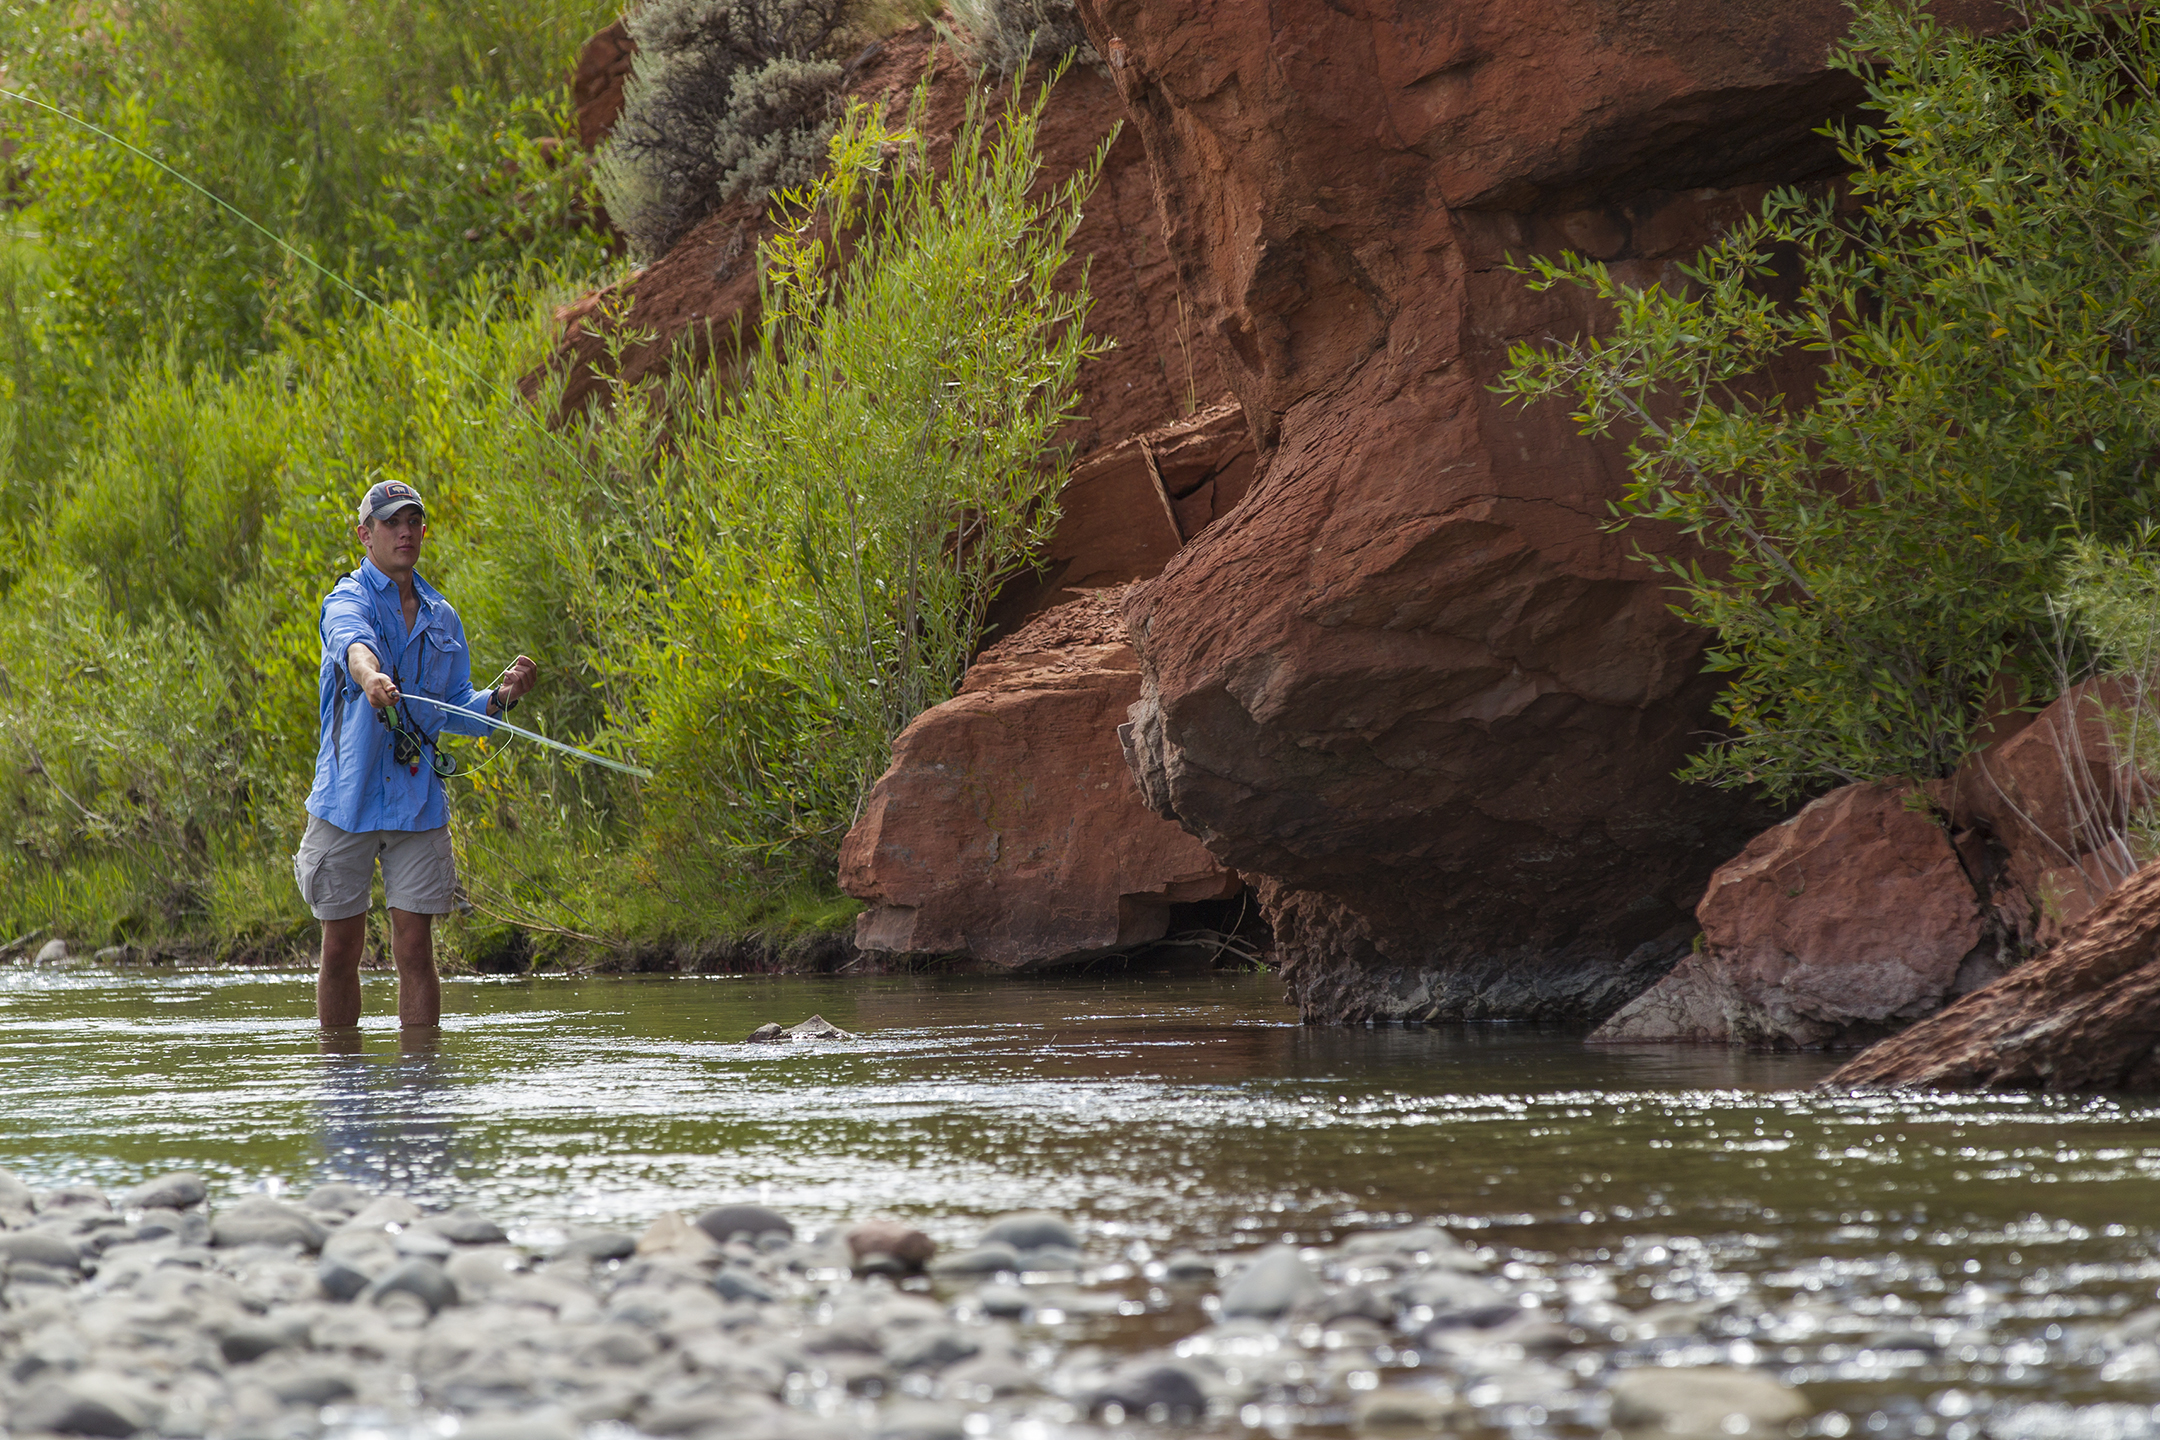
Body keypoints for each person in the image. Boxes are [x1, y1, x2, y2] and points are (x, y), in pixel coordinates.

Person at [294, 478, 536, 1030]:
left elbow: (454, 708)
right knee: (339, 949)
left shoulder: (442, 617)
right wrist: (370, 676)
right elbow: (351, 644)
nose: (405, 532)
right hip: (346, 801)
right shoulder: (346, 598)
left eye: (413, 522)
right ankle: (343, 1090)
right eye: (391, 523)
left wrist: (502, 697)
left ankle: (419, 1095)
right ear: (365, 535)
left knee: (414, 948)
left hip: (416, 801)